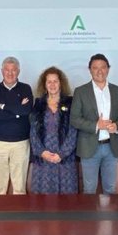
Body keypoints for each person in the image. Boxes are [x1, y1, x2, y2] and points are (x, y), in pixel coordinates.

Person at [70, 53, 118, 194]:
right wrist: (97, 125)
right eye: (95, 68)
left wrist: (116, 126)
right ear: (89, 70)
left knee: (111, 188)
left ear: (108, 69)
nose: (99, 71)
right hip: (89, 148)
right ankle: (89, 217)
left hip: (111, 147)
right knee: (89, 189)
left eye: (103, 67)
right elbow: (74, 119)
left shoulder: (117, 90)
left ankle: (109, 217)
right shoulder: (80, 91)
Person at [0, 56, 33, 194]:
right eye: (7, 70)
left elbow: (26, 110)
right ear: (2, 71)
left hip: (21, 144)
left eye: (13, 70)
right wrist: (16, 111)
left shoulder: (25, 88)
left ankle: (20, 216)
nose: (10, 73)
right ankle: (0, 216)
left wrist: (3, 106)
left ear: (18, 71)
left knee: (19, 188)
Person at [29, 66, 78, 194]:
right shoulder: (38, 104)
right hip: (43, 159)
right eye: (49, 81)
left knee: (66, 201)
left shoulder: (70, 103)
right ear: (44, 85)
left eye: (55, 81)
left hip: (64, 160)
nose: (52, 84)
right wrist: (42, 152)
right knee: (43, 201)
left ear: (61, 83)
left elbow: (73, 132)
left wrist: (61, 154)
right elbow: (33, 132)